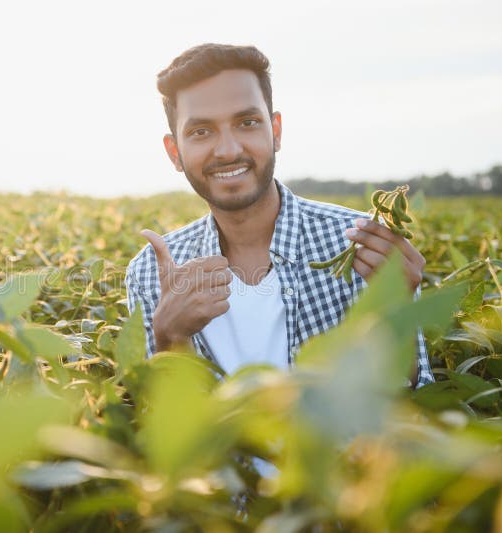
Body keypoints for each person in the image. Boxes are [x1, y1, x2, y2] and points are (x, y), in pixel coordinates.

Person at [125, 43, 433, 387]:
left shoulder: (362, 246)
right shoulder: (150, 272)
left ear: (276, 132)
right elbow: (159, 429)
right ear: (174, 153)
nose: (228, 150)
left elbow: (413, 401)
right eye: (201, 131)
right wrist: (169, 338)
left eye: (247, 122)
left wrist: (400, 315)